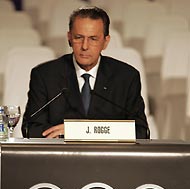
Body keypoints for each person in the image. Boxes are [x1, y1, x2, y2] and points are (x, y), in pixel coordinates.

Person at [22, 6, 150, 139]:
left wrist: (77, 131)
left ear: (105, 42)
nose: (85, 46)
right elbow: (30, 128)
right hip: (61, 157)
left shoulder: (126, 77)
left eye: (93, 39)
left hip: (109, 157)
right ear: (69, 38)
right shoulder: (45, 75)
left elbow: (141, 132)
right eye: (78, 37)